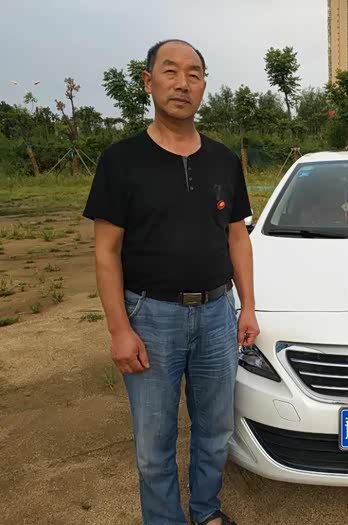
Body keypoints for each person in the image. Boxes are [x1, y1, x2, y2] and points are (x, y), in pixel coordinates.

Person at [82, 39, 259, 525]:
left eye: (194, 74)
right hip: (150, 317)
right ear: (148, 81)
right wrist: (120, 329)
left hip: (217, 315)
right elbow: (106, 252)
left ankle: (206, 511)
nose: (183, 83)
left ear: (204, 85)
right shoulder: (121, 161)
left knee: (215, 429)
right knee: (153, 443)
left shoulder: (223, 160)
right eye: (170, 71)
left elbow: (238, 238)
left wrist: (247, 305)